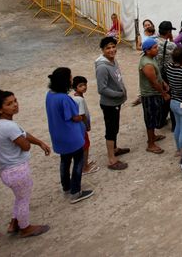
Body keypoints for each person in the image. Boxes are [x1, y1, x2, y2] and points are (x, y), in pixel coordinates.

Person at [0, 88, 51, 238]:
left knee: (19, 197)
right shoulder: (9, 126)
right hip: (17, 170)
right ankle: (25, 228)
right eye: (9, 104)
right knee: (24, 200)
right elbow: (24, 144)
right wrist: (30, 144)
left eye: (15, 101)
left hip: (6, 170)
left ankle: (14, 223)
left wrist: (39, 142)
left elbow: (22, 133)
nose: (15, 105)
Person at [45, 68, 94, 202]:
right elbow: (75, 117)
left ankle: (66, 186)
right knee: (78, 162)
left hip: (58, 134)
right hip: (71, 135)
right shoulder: (64, 98)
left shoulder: (49, 95)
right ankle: (75, 191)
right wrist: (82, 119)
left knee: (64, 161)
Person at [95, 36, 129, 170]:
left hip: (116, 102)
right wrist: (118, 94)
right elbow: (101, 89)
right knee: (111, 130)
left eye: (113, 47)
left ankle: (114, 148)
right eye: (108, 48)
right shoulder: (102, 67)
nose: (112, 50)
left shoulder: (113, 61)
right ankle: (111, 159)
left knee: (115, 128)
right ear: (103, 50)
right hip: (109, 103)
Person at [139, 38, 169, 154]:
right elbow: (153, 82)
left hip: (154, 93)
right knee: (150, 119)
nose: (157, 49)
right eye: (155, 48)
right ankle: (150, 144)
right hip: (150, 94)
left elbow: (158, 76)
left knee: (154, 116)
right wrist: (164, 93)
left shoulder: (151, 59)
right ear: (147, 51)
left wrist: (164, 83)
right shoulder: (147, 64)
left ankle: (153, 137)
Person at [71, 77, 98, 174]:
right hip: (81, 126)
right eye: (80, 86)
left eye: (85, 85)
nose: (84, 87)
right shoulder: (79, 100)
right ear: (75, 87)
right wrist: (87, 125)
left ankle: (84, 163)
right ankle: (85, 167)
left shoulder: (75, 98)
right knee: (86, 145)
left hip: (79, 127)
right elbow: (82, 115)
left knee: (84, 145)